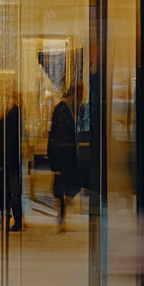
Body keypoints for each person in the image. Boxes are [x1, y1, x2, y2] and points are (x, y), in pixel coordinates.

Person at [47, 81, 88, 231]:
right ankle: (61, 218)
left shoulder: (68, 108)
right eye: (80, 94)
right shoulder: (62, 109)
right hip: (62, 155)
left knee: (63, 185)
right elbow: (57, 135)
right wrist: (55, 158)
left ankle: (61, 217)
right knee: (60, 186)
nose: (82, 98)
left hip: (66, 155)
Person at [0, 88, 24, 232]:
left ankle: (16, 220)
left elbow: (6, 131)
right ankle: (12, 218)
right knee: (8, 190)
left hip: (10, 158)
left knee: (12, 191)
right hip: (8, 158)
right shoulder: (11, 112)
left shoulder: (15, 112)